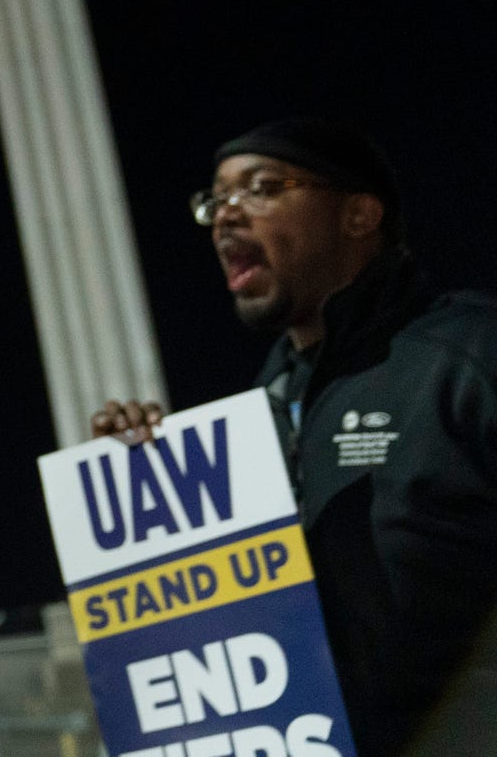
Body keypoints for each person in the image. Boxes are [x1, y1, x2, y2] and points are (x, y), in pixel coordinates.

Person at [92, 118, 497, 754]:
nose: (226, 216)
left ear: (359, 215)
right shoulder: (265, 405)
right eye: (215, 200)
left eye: (260, 188)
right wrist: (146, 479)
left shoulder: (469, 354)